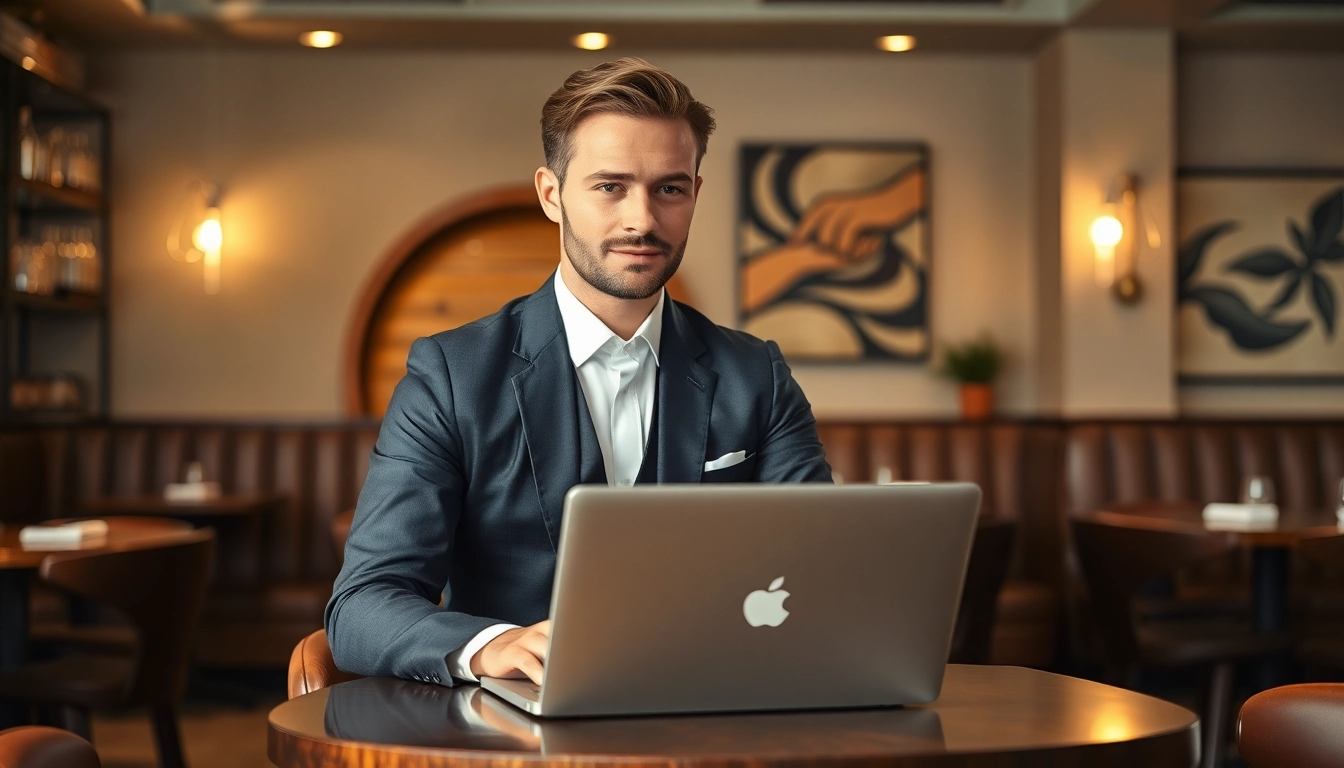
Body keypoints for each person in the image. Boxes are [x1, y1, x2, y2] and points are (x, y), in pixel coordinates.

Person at [325, 57, 832, 688]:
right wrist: (493, 646)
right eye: (610, 187)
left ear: (695, 194)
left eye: (668, 188)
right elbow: (363, 606)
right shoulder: (450, 376)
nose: (642, 220)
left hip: (711, 710)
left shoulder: (758, 374)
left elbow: (820, 574)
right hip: (514, 731)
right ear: (550, 194)